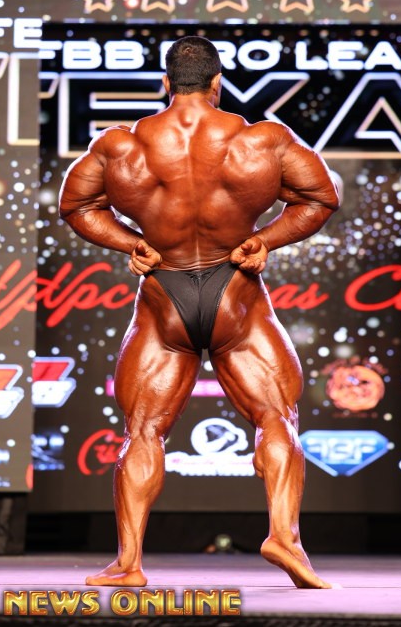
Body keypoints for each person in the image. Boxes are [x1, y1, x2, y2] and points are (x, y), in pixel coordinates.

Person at [59, 35, 340, 589]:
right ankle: (283, 537)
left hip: (163, 295)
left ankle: (129, 563)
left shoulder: (119, 145)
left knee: (144, 430)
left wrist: (131, 243)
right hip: (236, 292)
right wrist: (265, 240)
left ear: (166, 83)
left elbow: (76, 206)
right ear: (218, 83)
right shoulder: (263, 140)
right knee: (276, 417)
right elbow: (321, 198)